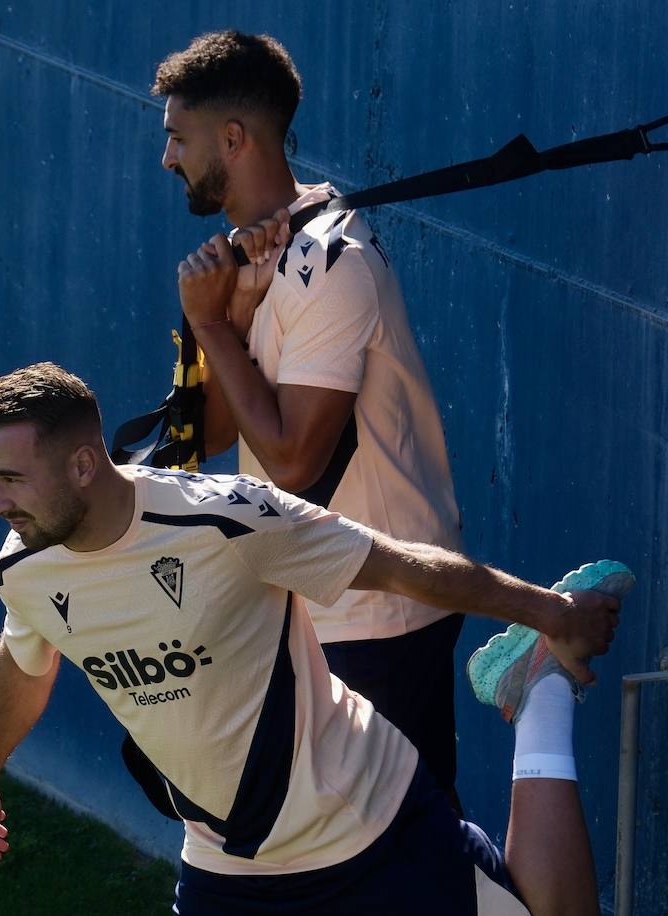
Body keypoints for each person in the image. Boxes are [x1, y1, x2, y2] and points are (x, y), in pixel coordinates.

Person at [0, 363, 631, 915]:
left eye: (10, 479)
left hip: (364, 824)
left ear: (82, 465)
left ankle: (540, 685)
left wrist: (552, 612)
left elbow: (401, 567)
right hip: (227, 863)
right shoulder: (25, 567)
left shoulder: (226, 519)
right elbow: (25, 658)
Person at [152, 31, 471, 807]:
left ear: (234, 139)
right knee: (320, 846)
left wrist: (214, 324)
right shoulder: (254, 256)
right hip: (315, 602)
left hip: (383, 612)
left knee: (403, 850)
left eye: (179, 138)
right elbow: (218, 436)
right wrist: (227, 320)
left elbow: (293, 462)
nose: (167, 158)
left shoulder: (331, 264)